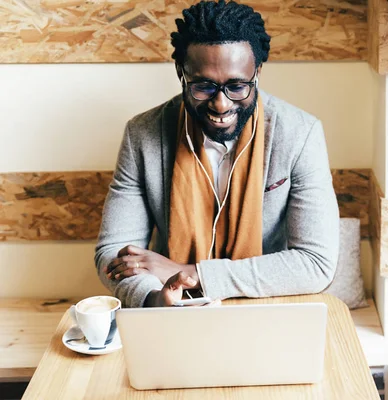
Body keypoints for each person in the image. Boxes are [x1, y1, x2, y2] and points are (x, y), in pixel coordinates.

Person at [95, 0, 339, 308]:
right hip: (171, 309)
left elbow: (316, 263)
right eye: (204, 87)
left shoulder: (300, 134)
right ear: (180, 73)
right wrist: (155, 297)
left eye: (237, 87)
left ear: (258, 73)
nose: (221, 105)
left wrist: (193, 274)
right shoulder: (142, 134)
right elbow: (114, 252)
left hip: (264, 306)